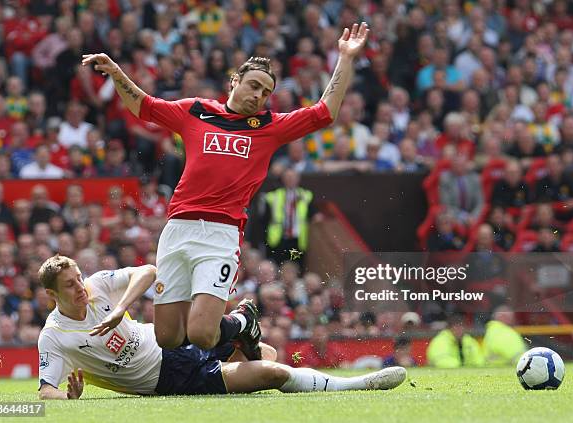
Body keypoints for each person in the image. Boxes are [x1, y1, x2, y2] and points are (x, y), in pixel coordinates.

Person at [82, 22, 370, 358]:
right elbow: (144, 107)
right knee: (168, 337)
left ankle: (243, 321)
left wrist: (346, 58)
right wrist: (117, 73)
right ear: (234, 81)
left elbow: (325, 113)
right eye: (253, 86)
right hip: (177, 230)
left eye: (265, 92)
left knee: (202, 334)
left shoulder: (269, 127)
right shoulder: (197, 111)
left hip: (221, 234)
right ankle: (233, 343)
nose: (258, 96)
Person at [36, 255, 406, 399]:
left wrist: (119, 308)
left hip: (170, 342)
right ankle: (359, 384)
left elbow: (148, 271)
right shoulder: (54, 337)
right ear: (52, 295)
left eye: (79, 277)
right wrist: (68, 399)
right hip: (170, 378)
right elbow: (44, 392)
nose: (80, 287)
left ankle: (242, 323)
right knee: (272, 366)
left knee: (264, 357)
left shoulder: (98, 286)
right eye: (69, 285)